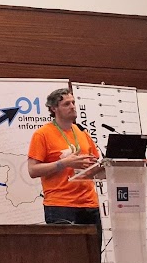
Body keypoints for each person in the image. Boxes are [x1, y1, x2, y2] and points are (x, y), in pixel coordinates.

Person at [28, 88, 102, 246]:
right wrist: (64, 163)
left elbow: (95, 163)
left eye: (73, 102)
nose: (73, 107)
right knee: (66, 257)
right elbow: (33, 170)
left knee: (93, 257)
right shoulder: (42, 134)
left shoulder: (82, 132)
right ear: (54, 108)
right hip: (61, 205)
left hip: (89, 204)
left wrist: (101, 167)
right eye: (67, 104)